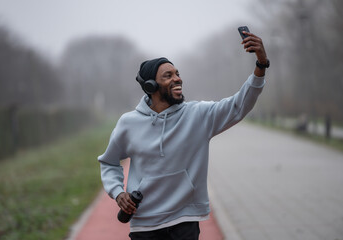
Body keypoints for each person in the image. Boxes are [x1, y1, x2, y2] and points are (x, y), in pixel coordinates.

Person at [98, 31, 269, 240]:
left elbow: (238, 105)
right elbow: (109, 162)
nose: (177, 79)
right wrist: (118, 192)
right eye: (168, 76)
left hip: (184, 220)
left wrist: (261, 65)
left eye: (177, 73)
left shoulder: (198, 115)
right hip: (144, 224)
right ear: (150, 86)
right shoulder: (129, 123)